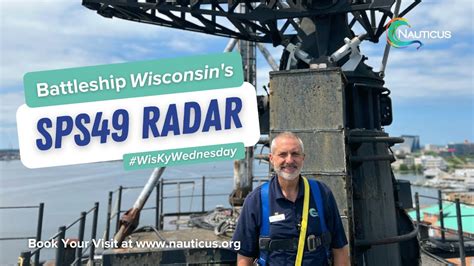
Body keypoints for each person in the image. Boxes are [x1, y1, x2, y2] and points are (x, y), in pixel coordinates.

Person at [232, 132, 349, 265]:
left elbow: (340, 249)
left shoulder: (322, 194)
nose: (289, 160)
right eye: (282, 154)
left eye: (295, 154)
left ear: (303, 158)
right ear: (271, 158)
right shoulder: (256, 200)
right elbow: (244, 258)